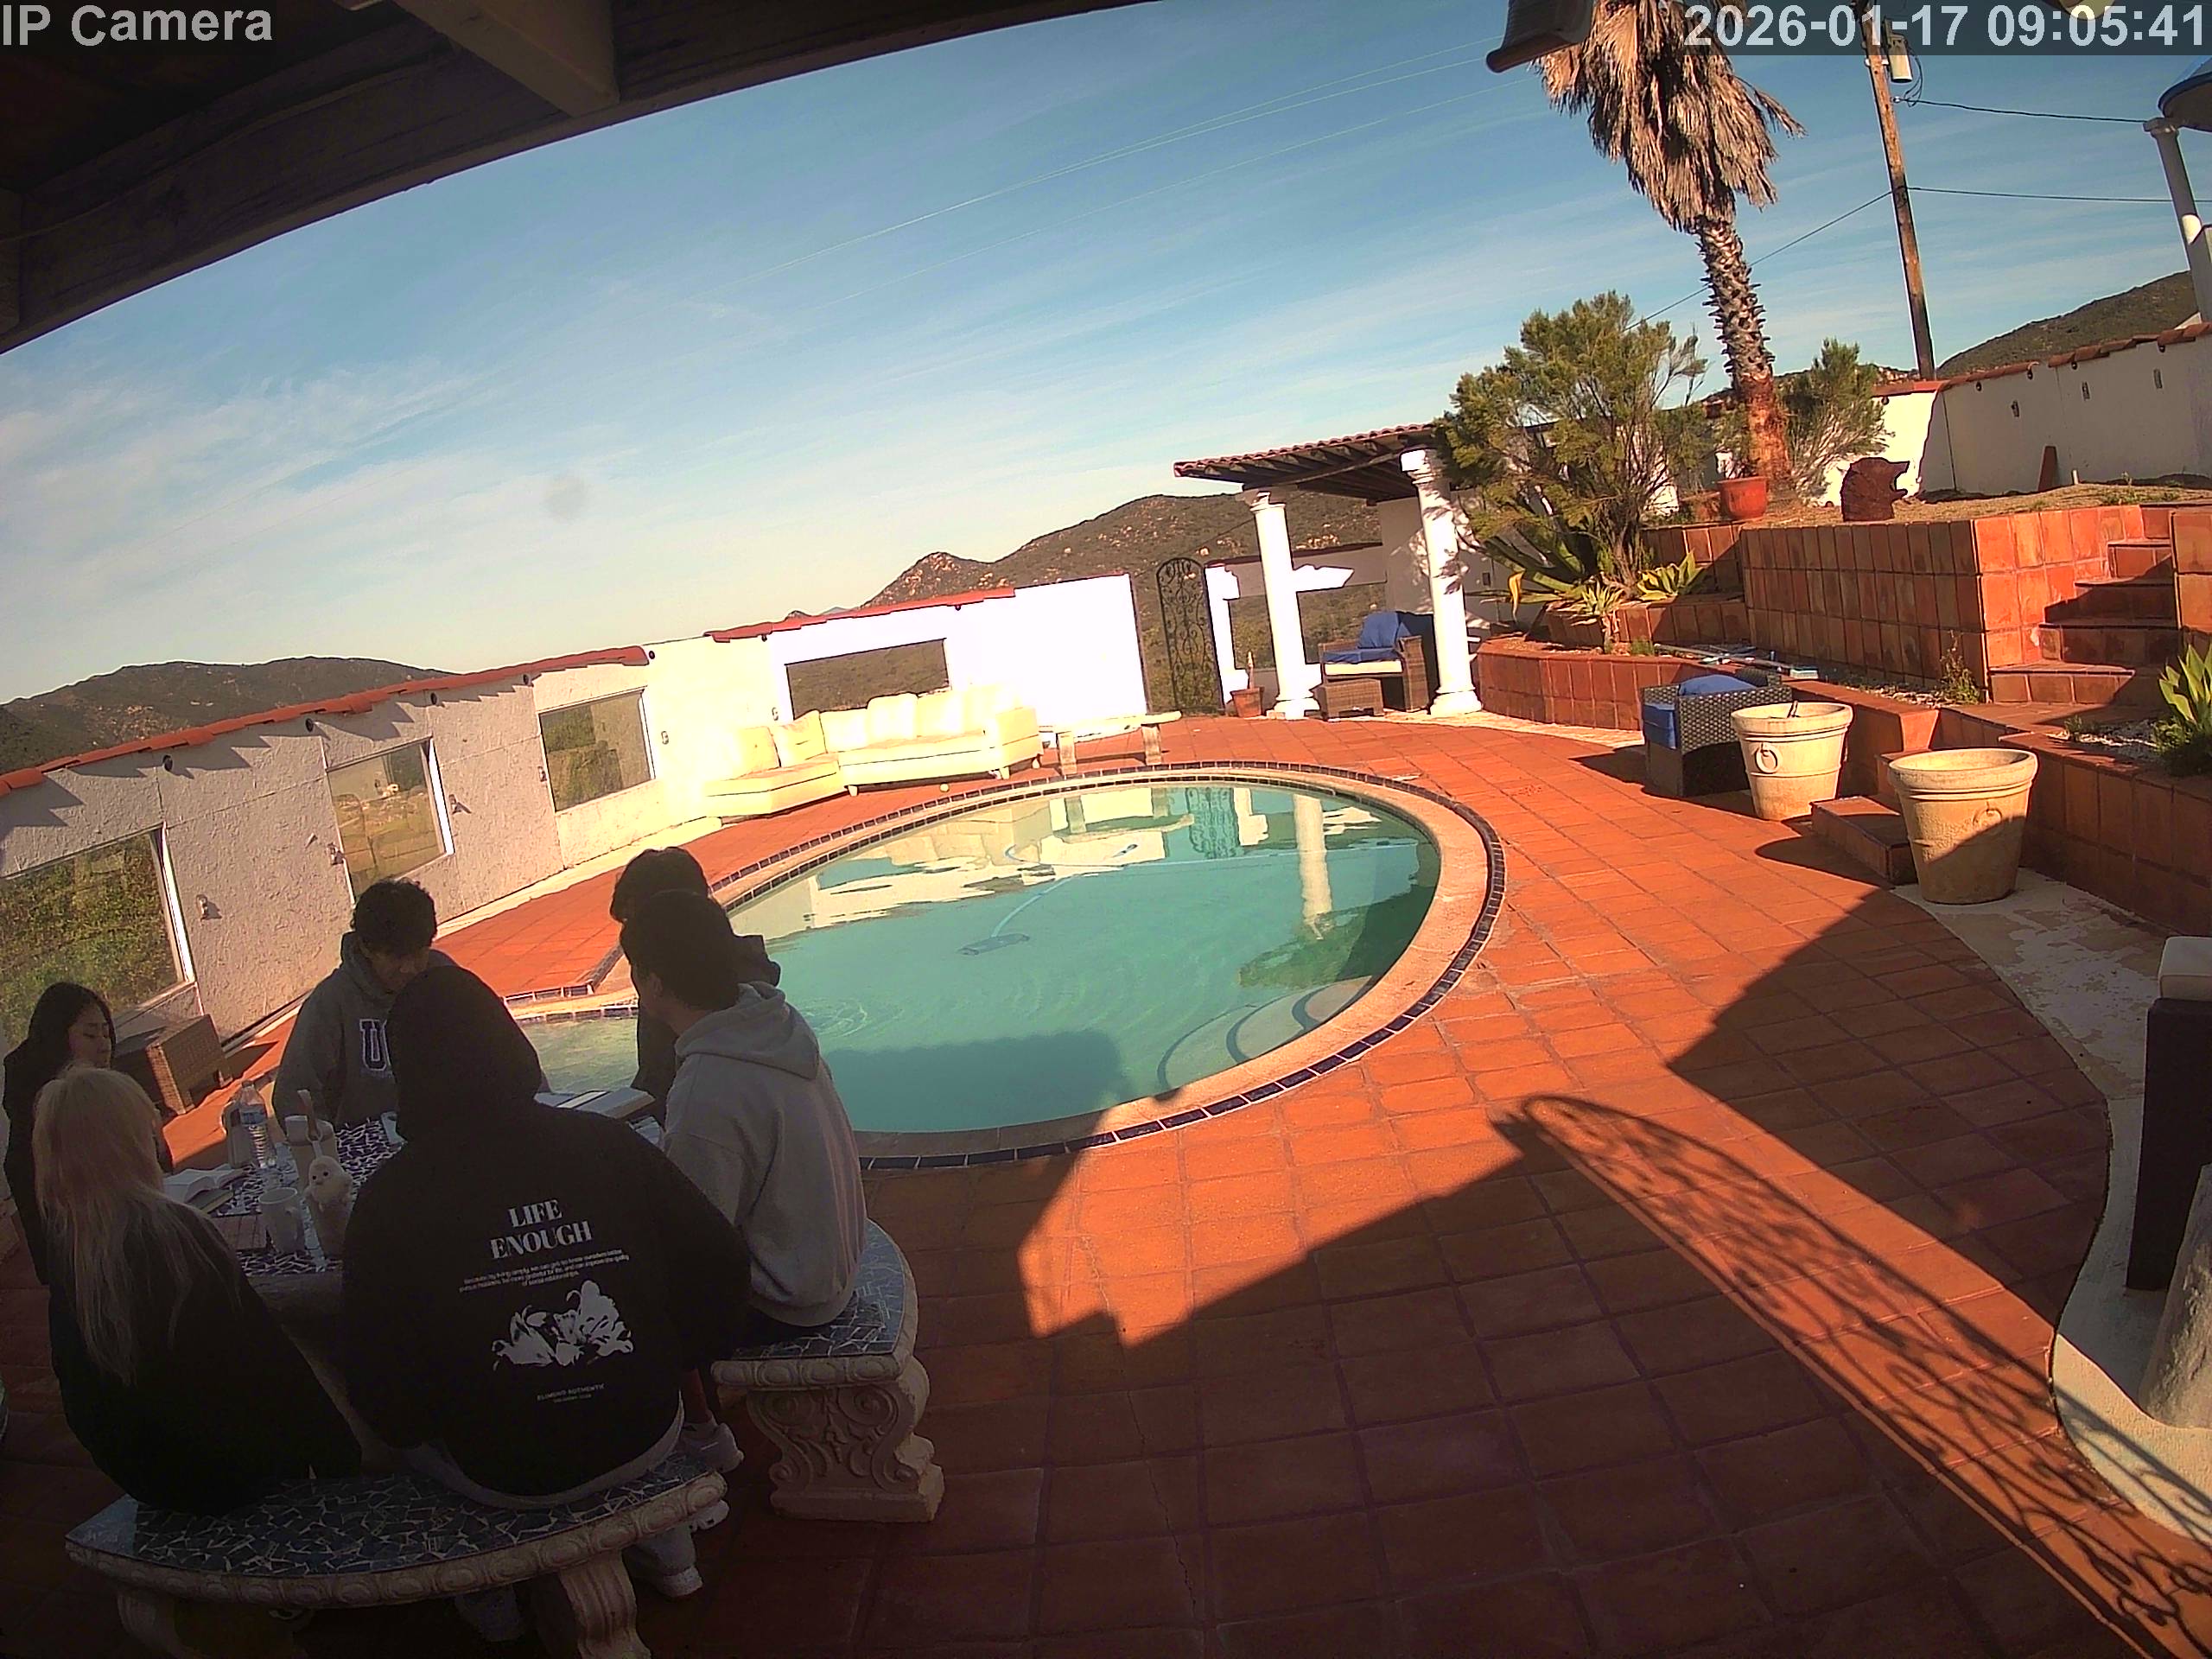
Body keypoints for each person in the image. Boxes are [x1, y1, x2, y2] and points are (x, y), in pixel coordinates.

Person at [342, 965, 750, 1641]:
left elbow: (377, 1382)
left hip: (502, 1469)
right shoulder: (606, 1144)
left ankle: (487, 1590)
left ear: (408, 1073)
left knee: (384, 1437)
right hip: (646, 1423)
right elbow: (721, 1260)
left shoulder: (390, 1199)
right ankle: (663, 1548)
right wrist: (668, 1353)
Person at [39, 1067, 359, 1656]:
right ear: (130, 1144)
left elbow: (80, 1400)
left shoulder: (73, 1256)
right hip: (237, 1477)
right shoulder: (180, 1234)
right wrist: (342, 1466)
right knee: (316, 1353)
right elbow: (274, 1368)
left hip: (153, 1480)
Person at [620, 889, 864, 1341]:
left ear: (654, 983)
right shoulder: (775, 1024)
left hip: (787, 1304)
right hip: (832, 1268)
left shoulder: (708, 1085)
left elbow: (696, 1237)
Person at [4, 983, 170, 1284]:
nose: (104, 1045)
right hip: (95, 1267)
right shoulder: (49, 1115)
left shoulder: (108, 1091)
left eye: (106, 1034)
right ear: (57, 1039)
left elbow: (160, 1167)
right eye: (90, 1035)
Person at [607, 848, 779, 1107]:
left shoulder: (682, 990)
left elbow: (664, 1086)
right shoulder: (775, 1015)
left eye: (635, 920)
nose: (633, 935)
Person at [274, 877, 451, 1126]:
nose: (409, 968)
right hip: (367, 1137)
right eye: (395, 957)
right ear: (367, 948)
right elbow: (293, 1094)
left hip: (445, 1126)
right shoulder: (331, 1001)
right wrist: (326, 1144)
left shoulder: (445, 977)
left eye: (418, 954)